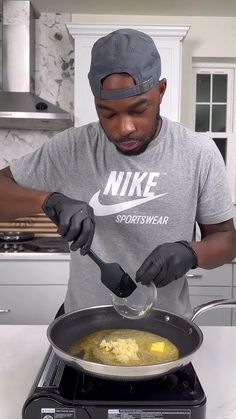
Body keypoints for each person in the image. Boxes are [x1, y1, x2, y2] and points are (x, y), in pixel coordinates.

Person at [0, 28, 235, 317]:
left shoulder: (199, 152)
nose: (123, 128)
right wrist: (49, 201)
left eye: (138, 110)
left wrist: (191, 253)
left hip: (165, 327)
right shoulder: (72, 147)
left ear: (160, 91)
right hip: (84, 323)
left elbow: (226, 240)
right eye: (107, 113)